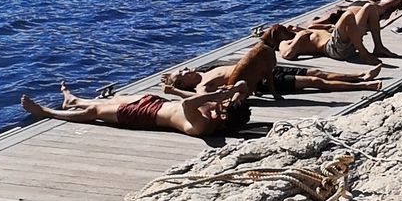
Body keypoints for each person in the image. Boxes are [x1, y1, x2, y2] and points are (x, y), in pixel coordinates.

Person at [20, 81, 251, 137]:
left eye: (225, 105)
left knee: (95, 113)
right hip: (156, 102)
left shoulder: (203, 125)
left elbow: (188, 104)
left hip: (147, 116)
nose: (223, 103)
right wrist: (232, 93)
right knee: (112, 100)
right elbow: (242, 87)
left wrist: (223, 94)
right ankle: (74, 100)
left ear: (224, 115)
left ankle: (46, 112)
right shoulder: (213, 110)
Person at [278, 0, 402, 65]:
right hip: (334, 49)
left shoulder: (306, 30)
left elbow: (317, 27)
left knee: (370, 7)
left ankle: (379, 47)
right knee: (348, 15)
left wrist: (325, 27)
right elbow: (287, 55)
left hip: (345, 40)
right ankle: (363, 53)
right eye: (283, 29)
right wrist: (299, 37)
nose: (288, 28)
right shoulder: (285, 42)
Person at [162, 60, 383, 97]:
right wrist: (174, 90)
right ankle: (365, 86)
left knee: (315, 72)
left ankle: (358, 75)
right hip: (263, 82)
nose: (185, 70)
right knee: (315, 83)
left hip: (265, 68)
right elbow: (203, 99)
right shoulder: (202, 85)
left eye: (183, 69)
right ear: (184, 83)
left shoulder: (205, 69)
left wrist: (170, 78)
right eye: (181, 74)